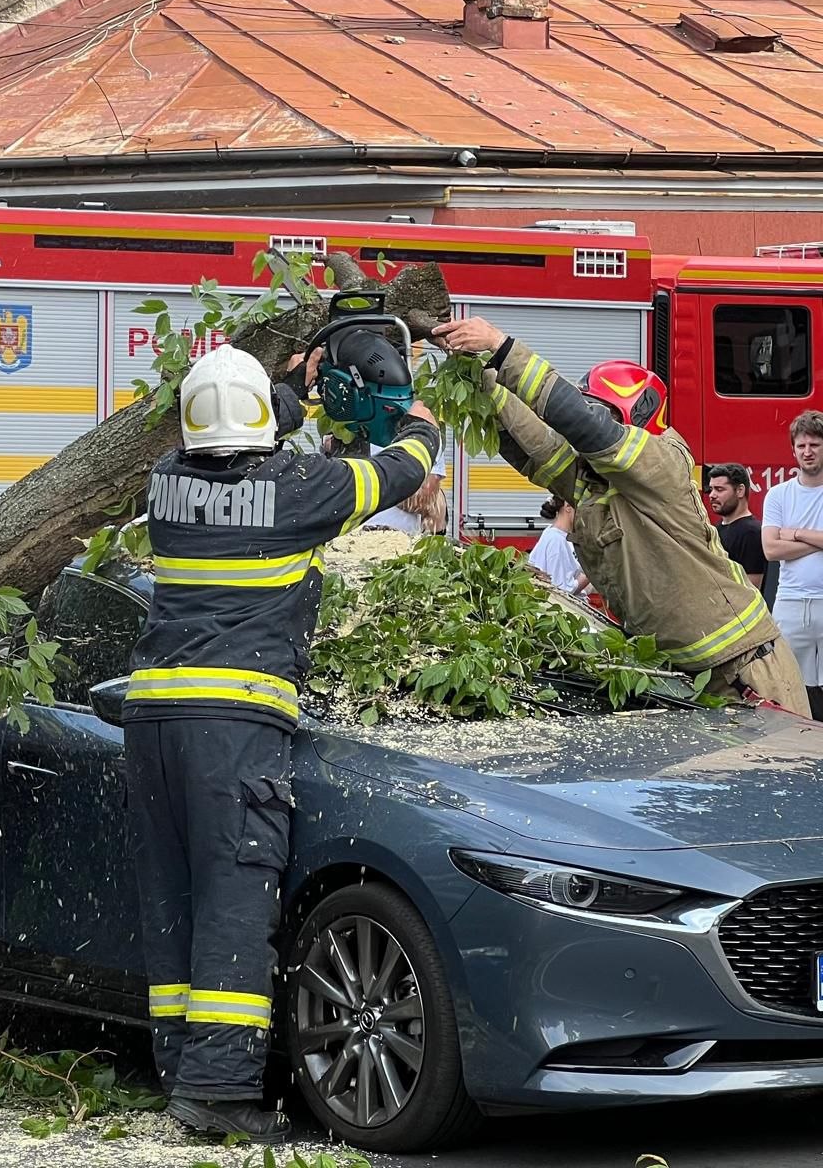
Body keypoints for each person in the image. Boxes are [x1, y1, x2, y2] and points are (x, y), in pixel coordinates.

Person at [124, 342, 440, 1145]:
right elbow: (398, 473)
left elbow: (239, 438)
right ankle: (220, 1090)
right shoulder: (302, 488)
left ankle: (181, 1065)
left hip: (151, 721)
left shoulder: (166, 482)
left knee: (177, 898)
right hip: (233, 725)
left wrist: (290, 392)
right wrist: (421, 423)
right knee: (235, 896)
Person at [433, 317, 808, 713]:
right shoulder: (593, 483)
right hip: (681, 677)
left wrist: (501, 345)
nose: (587, 421)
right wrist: (479, 371)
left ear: (634, 415)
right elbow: (537, 445)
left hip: (745, 675)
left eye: (601, 410)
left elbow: (583, 425)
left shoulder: (662, 462)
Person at [761, 412, 823, 719]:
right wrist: (818, 540)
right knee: (790, 688)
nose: (808, 451)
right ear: (793, 450)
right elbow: (771, 549)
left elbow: (783, 543)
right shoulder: (778, 495)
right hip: (790, 602)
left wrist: (797, 533)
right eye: (801, 445)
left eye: (815, 444)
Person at [707, 463, 771, 602]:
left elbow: (752, 589)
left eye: (719, 489)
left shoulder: (752, 532)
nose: (712, 495)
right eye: (711, 489)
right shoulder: (716, 529)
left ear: (740, 491)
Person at [527, 495, 588, 595]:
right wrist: (592, 571)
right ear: (568, 506)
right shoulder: (557, 540)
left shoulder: (553, 533)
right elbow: (562, 591)